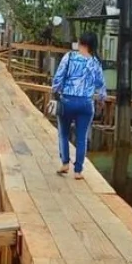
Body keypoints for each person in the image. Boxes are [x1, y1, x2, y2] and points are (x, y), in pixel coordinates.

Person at [51, 32, 107, 180]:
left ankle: (65, 163)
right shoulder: (95, 62)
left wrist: (56, 91)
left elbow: (58, 78)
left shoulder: (69, 57)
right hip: (86, 104)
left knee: (63, 133)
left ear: (80, 42)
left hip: (67, 101)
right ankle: (78, 171)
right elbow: (101, 85)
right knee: (82, 138)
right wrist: (101, 99)